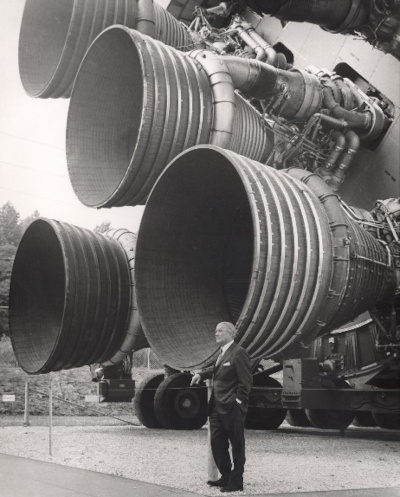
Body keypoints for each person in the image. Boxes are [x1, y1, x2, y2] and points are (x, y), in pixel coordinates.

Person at [191, 321, 253, 492]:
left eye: (220, 331)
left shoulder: (239, 353)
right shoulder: (222, 353)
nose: (216, 334)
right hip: (217, 407)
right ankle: (226, 476)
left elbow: (246, 382)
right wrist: (201, 374)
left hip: (232, 407)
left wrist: (238, 402)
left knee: (237, 443)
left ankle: (237, 480)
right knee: (217, 443)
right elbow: (217, 370)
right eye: (215, 331)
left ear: (230, 333)